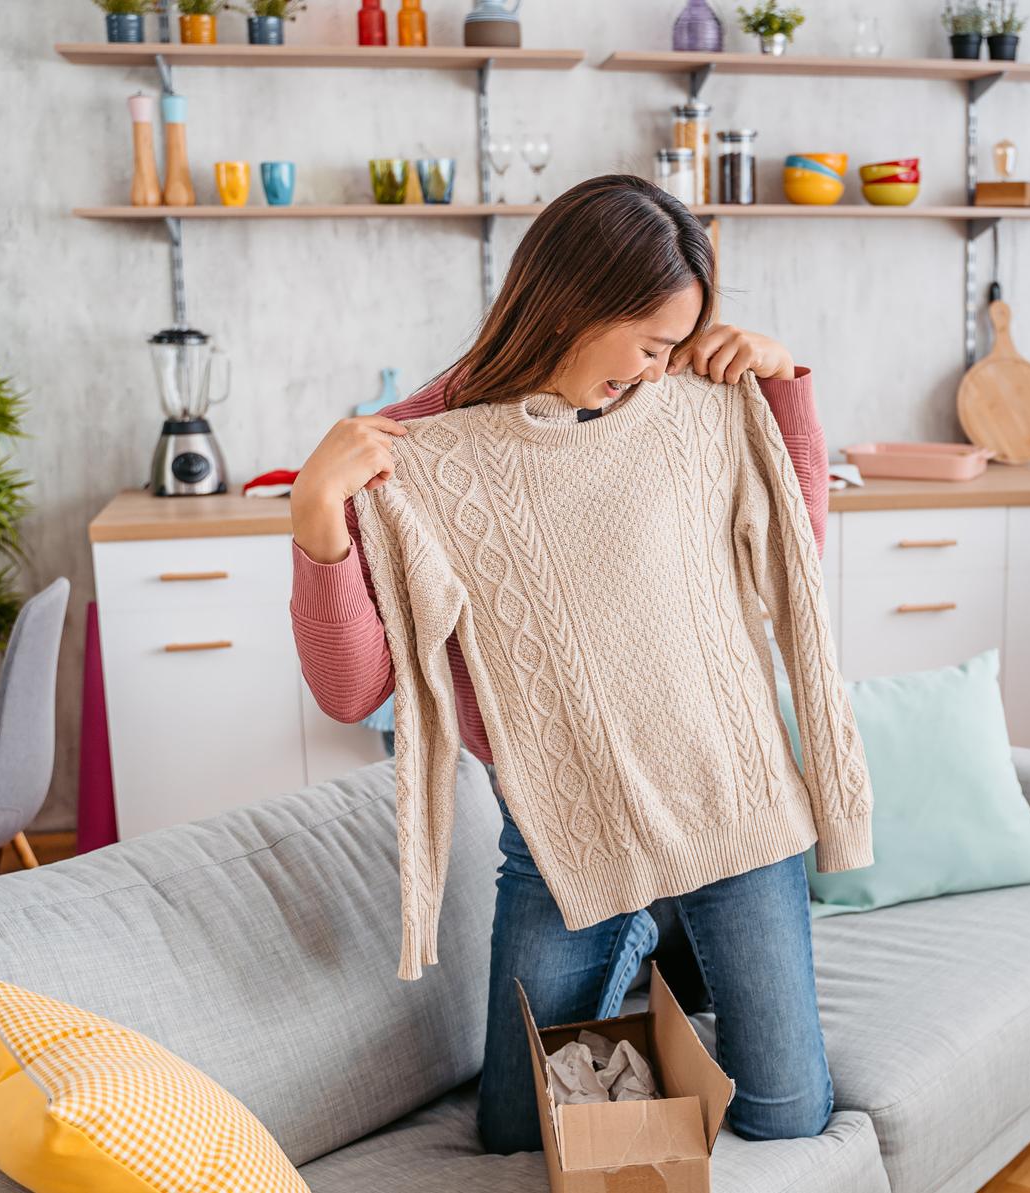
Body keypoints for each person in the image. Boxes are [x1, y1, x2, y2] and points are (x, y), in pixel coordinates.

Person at [287, 174, 838, 1155]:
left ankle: (661, 924)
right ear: (576, 306)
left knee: (787, 1110)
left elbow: (790, 562)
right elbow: (352, 688)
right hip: (563, 838)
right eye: (652, 343)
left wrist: (784, 382)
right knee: (515, 1131)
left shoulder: (685, 406)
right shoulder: (427, 452)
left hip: (733, 801)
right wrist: (315, 519)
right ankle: (645, 925)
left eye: (680, 346)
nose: (662, 369)